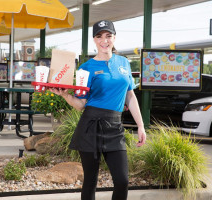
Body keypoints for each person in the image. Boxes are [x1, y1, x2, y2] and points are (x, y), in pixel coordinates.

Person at [50, 19, 146, 200]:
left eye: (108, 36)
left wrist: (140, 126)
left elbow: (130, 96)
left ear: (114, 38)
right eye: (99, 36)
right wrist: (65, 95)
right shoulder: (85, 68)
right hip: (90, 126)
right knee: (90, 181)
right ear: (94, 40)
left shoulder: (124, 63)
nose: (104, 40)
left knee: (122, 180)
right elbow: (81, 104)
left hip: (115, 127)